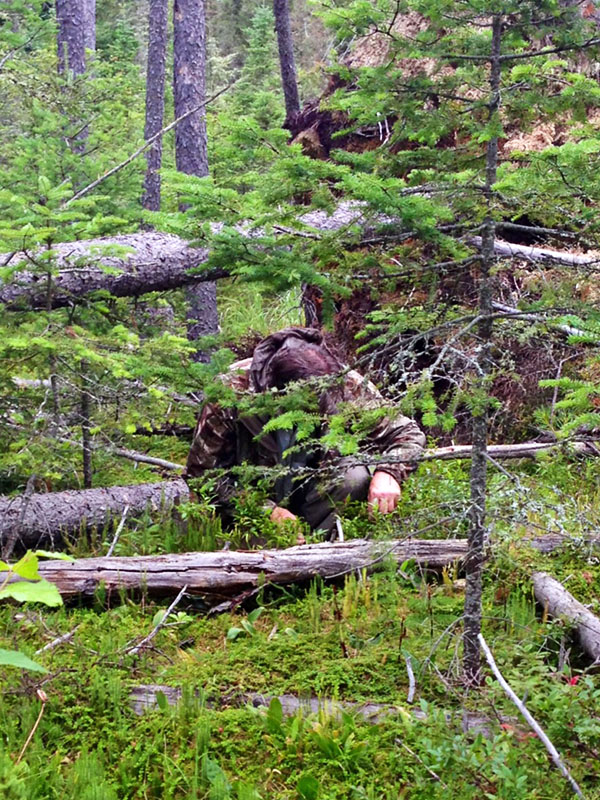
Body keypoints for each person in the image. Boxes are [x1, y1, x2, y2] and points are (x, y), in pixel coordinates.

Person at [183, 327, 425, 533]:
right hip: (253, 498)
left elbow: (407, 433)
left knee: (354, 478)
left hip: (315, 491)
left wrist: (389, 472)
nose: (320, 407)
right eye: (309, 404)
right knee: (258, 553)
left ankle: (321, 547)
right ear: (279, 394)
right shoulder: (231, 391)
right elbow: (202, 476)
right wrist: (265, 511)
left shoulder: (341, 381)